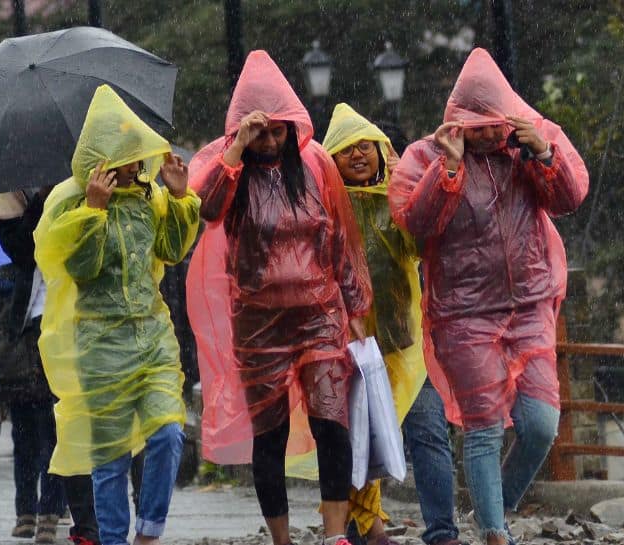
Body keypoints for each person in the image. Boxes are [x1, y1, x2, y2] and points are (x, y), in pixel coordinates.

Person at [388, 48, 589, 545]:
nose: (490, 134)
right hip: (462, 314)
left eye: (496, 124)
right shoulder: (425, 157)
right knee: (483, 426)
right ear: (458, 122)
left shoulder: (533, 142)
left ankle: (492, 507)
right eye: (477, 126)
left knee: (541, 424)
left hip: (529, 306)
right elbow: (416, 224)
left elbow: (569, 199)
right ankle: (497, 532)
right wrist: (449, 170)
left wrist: (544, 153)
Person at [186, 51, 373, 545]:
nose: (270, 141)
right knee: (267, 437)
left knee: (331, 424)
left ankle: (336, 535)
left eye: (278, 131)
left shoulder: (315, 168)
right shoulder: (231, 174)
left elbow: (340, 241)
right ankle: (282, 539)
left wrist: (355, 308)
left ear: (293, 127)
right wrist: (236, 148)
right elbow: (205, 211)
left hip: (319, 317)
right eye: (261, 132)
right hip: (259, 324)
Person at [33, 84, 200, 545]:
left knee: (168, 432)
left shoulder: (151, 199)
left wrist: (182, 198)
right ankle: (111, 538)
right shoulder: (69, 203)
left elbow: (170, 250)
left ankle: (149, 531)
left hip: (151, 338)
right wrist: (94, 211)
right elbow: (78, 269)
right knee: (109, 460)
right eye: (123, 157)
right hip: (99, 346)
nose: (133, 165)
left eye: (135, 155)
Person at [322, 103, 463, 545]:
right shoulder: (324, 209)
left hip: (404, 346)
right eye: (346, 150)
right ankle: (359, 530)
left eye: (366, 145)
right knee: (356, 443)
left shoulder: (399, 201)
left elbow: (423, 242)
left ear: (383, 152)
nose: (358, 154)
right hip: (350, 348)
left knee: (428, 434)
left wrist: (434, 181)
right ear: (330, 162)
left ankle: (442, 532)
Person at [0, 187, 101, 545]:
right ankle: (28, 510)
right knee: (27, 434)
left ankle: (52, 512)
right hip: (30, 331)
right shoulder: (14, 194)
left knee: (58, 428)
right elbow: (20, 251)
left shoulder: (84, 184)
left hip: (75, 321)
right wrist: (39, 206)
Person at [0, 260, 65, 542]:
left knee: (25, 446)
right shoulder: (54, 269)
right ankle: (48, 515)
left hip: (14, 375)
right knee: (51, 444)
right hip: (48, 372)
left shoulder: (0, 276)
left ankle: (25, 514)